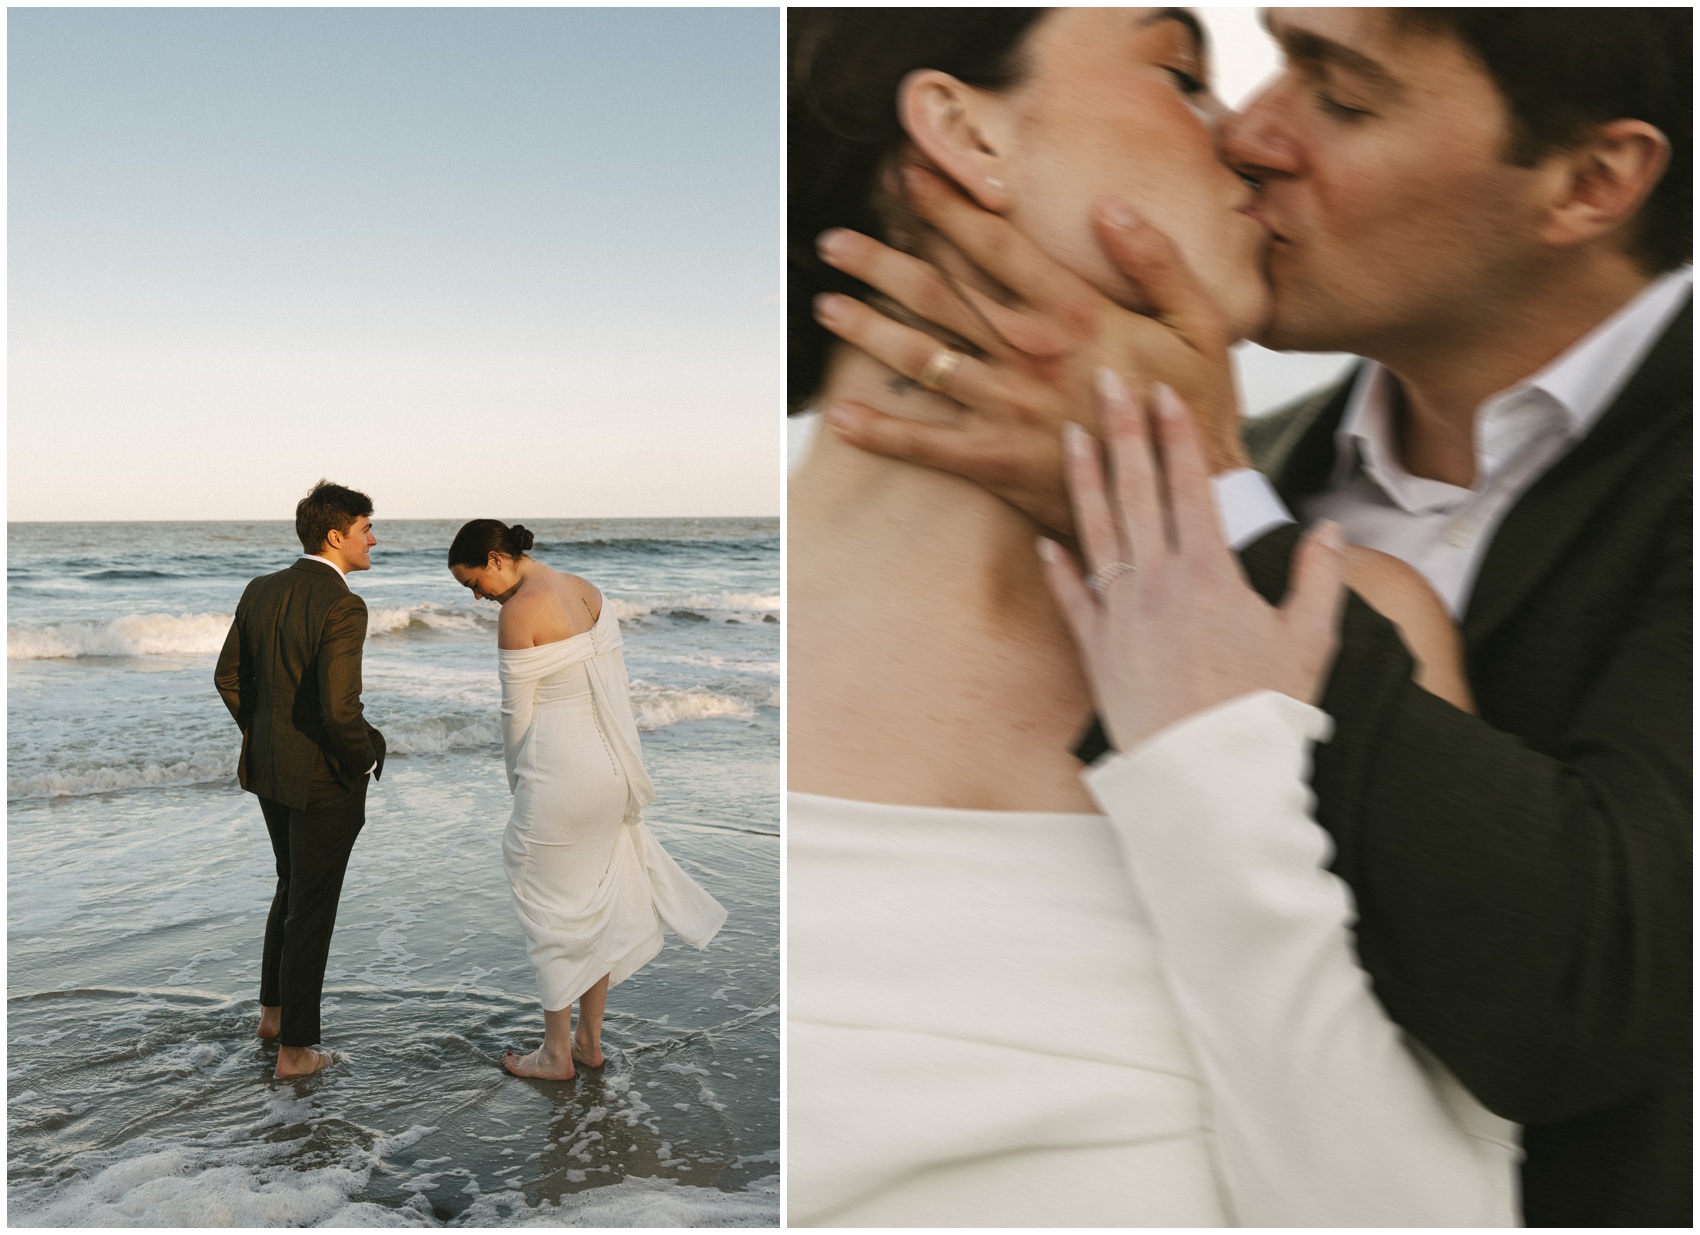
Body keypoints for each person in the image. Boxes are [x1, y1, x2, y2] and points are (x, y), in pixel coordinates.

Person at [812, 8, 1690, 1226]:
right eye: (1197, 73)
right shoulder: (1284, 477)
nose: (1251, 134)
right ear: (959, 129)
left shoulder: (1291, 546)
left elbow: (1588, 1003)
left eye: (1339, 95)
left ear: (1591, 180)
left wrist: (1203, 502)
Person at [446, 520, 727, 1081]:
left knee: (548, 907)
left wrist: (519, 789)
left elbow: (516, 719)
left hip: (559, 775)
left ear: (498, 559)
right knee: (593, 904)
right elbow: (617, 688)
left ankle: (553, 1055)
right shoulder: (588, 591)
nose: (478, 597)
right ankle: (587, 1043)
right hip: (611, 772)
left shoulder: (518, 611)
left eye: (475, 583)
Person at [215, 480, 386, 1080]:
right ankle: (296, 1051)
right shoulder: (345, 604)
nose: (374, 538)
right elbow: (341, 710)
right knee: (312, 905)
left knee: (291, 888)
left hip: (270, 770)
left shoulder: (260, 589)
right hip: (322, 779)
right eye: (367, 528)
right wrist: (364, 758)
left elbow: (228, 679)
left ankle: (272, 1016)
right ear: (336, 535)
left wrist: (266, 736)